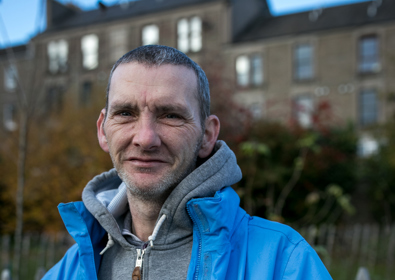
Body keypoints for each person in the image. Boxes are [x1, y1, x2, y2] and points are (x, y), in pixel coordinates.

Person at [43, 45, 332, 280]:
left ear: (207, 135)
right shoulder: (70, 270)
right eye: (126, 113)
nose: (145, 138)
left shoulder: (283, 262)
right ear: (102, 130)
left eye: (170, 115)